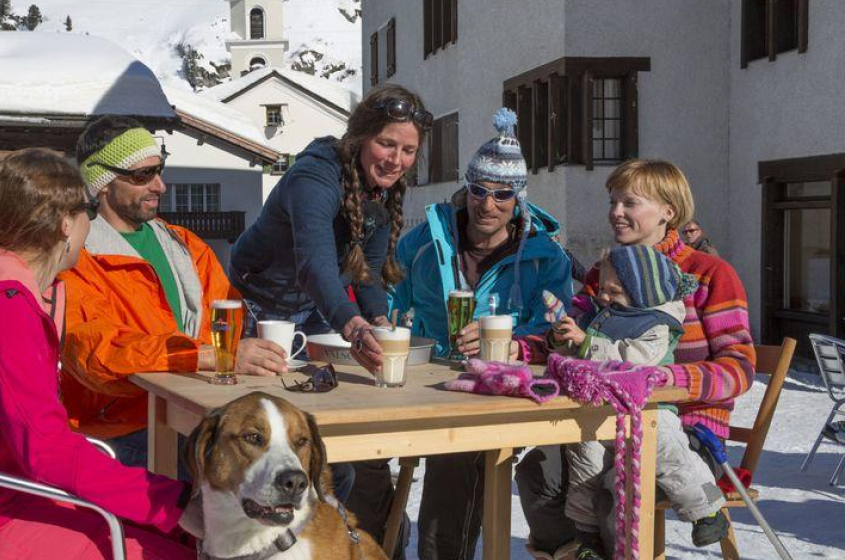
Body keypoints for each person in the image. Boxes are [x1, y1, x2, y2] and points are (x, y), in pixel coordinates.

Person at [0, 148, 195, 560]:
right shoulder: (2, 309)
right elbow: (47, 450)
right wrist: (173, 501)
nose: (90, 223)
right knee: (175, 552)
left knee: (175, 537)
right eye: (87, 212)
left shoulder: (1, 283)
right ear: (64, 224)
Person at [516, 159, 756, 560]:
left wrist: (661, 378)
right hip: (601, 420)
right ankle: (573, 553)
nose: (616, 212)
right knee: (537, 470)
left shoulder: (709, 274)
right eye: (613, 202)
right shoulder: (602, 273)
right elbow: (571, 334)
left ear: (669, 210)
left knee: (617, 489)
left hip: (682, 435)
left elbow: (740, 368)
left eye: (630, 202)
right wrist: (520, 349)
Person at [229, 83, 430, 559]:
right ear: (360, 137)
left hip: (313, 309)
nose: (395, 159)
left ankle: (314, 541)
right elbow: (315, 265)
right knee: (259, 438)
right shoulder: (314, 178)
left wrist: (377, 320)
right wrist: (354, 325)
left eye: (408, 150)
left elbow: (369, 275)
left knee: (326, 436)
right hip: (255, 305)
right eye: (386, 144)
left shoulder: (381, 192)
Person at [389, 108, 573, 560]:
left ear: (519, 198)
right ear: (465, 189)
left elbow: (556, 327)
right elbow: (388, 301)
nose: (487, 204)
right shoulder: (423, 242)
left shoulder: (546, 258)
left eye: (502, 194)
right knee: (354, 459)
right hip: (421, 381)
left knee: (458, 459)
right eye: (478, 190)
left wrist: (512, 343)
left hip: (499, 393)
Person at [59, 117, 286, 469]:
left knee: (319, 464)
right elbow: (96, 351)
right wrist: (204, 357)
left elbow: (226, 322)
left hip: (198, 410)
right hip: (124, 427)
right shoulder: (79, 257)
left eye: (159, 170)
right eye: (141, 175)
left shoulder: (186, 245)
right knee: (250, 479)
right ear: (102, 183)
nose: (160, 185)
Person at [548, 245, 727, 560]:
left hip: (650, 412)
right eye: (602, 288)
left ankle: (709, 509)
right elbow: (579, 353)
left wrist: (586, 342)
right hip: (603, 412)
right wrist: (562, 340)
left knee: (671, 453)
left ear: (642, 292)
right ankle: (586, 535)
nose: (603, 296)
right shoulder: (604, 314)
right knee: (583, 457)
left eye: (614, 291)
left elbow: (636, 360)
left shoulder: (657, 323)